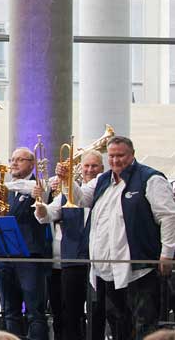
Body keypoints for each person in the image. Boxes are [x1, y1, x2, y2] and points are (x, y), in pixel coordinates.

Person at [74, 135, 175, 339]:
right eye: (111, 156)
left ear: (132, 155)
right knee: (118, 323)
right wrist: (66, 178)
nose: (115, 161)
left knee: (144, 323)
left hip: (139, 268)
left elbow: (168, 216)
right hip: (107, 269)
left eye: (120, 156)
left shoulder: (150, 178)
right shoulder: (103, 179)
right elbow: (81, 199)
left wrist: (167, 253)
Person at [36, 150, 104, 340]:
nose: (90, 170)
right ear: (80, 169)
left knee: (98, 312)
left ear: (102, 169)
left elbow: (82, 198)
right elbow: (49, 214)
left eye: (94, 166)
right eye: (86, 166)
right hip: (73, 260)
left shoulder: (104, 189)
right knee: (71, 312)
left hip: (99, 259)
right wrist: (40, 207)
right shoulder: (66, 193)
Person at [0, 148, 53, 340]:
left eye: (20, 160)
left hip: (30, 256)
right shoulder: (7, 190)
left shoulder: (38, 184)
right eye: (12, 159)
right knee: (10, 311)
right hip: (6, 255)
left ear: (32, 163)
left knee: (34, 311)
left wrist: (5, 186)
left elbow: (33, 192)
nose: (14, 163)